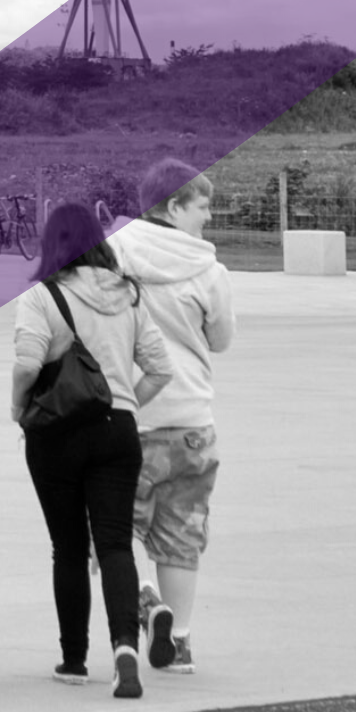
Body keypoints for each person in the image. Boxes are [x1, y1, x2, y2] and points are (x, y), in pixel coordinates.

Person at [10, 202, 174, 698]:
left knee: (68, 547)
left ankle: (74, 659)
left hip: (55, 434)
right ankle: (125, 648)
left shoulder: (42, 295)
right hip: (116, 430)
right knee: (115, 543)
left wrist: (19, 409)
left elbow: (27, 364)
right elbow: (161, 368)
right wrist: (124, 401)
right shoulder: (128, 293)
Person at [109, 160, 236, 678]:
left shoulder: (114, 254)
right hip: (190, 421)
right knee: (183, 534)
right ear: (173, 207)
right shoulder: (210, 270)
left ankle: (144, 600)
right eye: (201, 206)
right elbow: (222, 340)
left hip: (128, 416)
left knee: (113, 530)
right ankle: (179, 642)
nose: (209, 216)